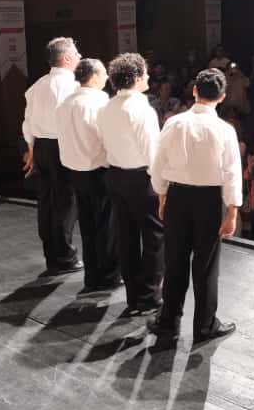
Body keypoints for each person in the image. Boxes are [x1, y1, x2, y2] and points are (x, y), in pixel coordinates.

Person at [148, 69, 242, 341]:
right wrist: (232, 211)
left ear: (194, 91)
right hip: (210, 201)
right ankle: (205, 326)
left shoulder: (174, 123)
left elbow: (158, 164)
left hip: (177, 197)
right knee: (206, 266)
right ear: (222, 97)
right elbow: (232, 173)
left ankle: (168, 322)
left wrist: (162, 196)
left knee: (175, 261)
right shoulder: (225, 130)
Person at [97, 53, 163, 315]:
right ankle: (148, 297)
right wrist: (162, 186)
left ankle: (134, 297)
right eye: (145, 72)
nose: (148, 76)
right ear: (135, 77)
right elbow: (152, 152)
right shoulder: (141, 109)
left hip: (116, 176)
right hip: (140, 179)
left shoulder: (107, 107)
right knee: (155, 237)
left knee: (126, 238)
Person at [55, 58, 119, 292]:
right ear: (93, 76)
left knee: (87, 225)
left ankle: (92, 276)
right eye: (103, 73)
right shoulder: (99, 101)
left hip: (75, 171)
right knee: (106, 226)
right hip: (98, 170)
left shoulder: (65, 103)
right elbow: (107, 136)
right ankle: (109, 275)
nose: (106, 77)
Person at [22, 37, 82, 275]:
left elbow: (27, 121)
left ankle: (52, 256)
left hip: (41, 147)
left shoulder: (37, 85)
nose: (79, 56)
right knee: (66, 202)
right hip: (61, 146)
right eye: (76, 53)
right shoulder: (71, 86)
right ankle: (65, 258)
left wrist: (30, 149)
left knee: (46, 202)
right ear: (66, 58)